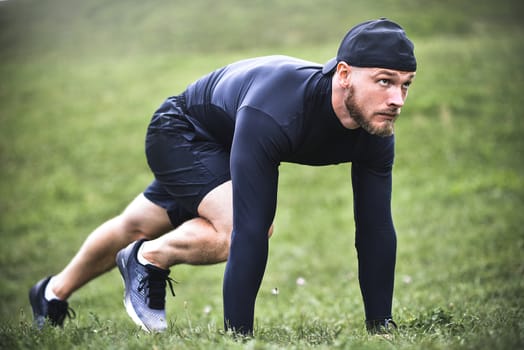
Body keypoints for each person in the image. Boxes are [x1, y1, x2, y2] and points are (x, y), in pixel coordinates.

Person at [31, 18, 416, 336]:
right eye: (384, 81)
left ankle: (50, 293)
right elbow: (248, 231)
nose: (397, 99)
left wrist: (380, 328)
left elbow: (375, 229)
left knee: (135, 224)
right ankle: (148, 258)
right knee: (244, 227)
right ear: (344, 74)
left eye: (405, 85)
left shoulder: (374, 130)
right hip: (181, 130)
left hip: (229, 138)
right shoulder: (279, 110)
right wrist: (240, 338)